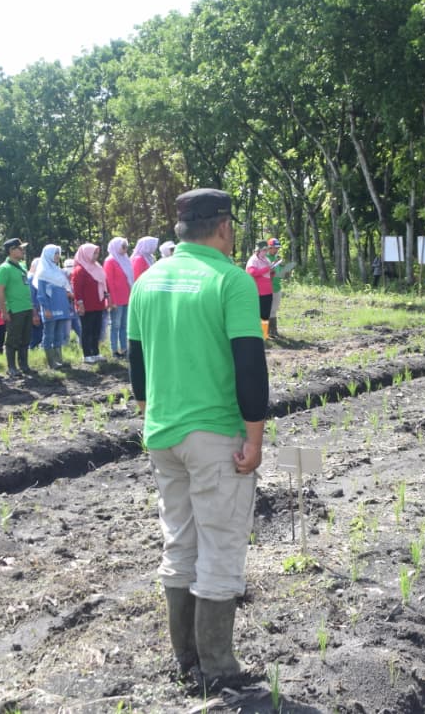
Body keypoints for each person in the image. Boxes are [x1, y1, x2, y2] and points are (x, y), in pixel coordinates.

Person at [129, 188, 268, 687]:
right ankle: (218, 666)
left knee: (179, 542)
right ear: (224, 227)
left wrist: (152, 420)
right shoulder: (232, 281)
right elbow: (250, 367)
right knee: (221, 545)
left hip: (162, 434)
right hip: (215, 435)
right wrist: (254, 438)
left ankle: (184, 657)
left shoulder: (148, 280)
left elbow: (138, 368)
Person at [0, 238, 36, 377]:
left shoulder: (22, 266)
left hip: (26, 307)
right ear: (11, 250)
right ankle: (11, 367)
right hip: (14, 309)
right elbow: (0, 290)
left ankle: (24, 365)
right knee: (13, 339)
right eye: (20, 248)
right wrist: (4, 310)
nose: (22, 250)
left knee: (25, 338)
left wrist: (32, 308)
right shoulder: (4, 268)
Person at [33, 244, 75, 368]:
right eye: (55, 253)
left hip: (61, 306)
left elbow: (64, 287)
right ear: (48, 254)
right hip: (50, 308)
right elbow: (41, 294)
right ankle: (51, 362)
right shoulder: (43, 272)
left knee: (59, 334)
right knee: (49, 334)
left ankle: (59, 360)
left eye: (58, 253)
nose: (57, 256)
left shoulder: (57, 270)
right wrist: (45, 309)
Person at [72, 243, 109, 364]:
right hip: (86, 306)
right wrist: (80, 304)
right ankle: (87, 354)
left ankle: (96, 352)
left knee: (96, 330)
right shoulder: (80, 270)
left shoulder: (97, 267)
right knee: (87, 330)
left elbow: (103, 284)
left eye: (97, 253)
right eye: (94, 253)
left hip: (98, 304)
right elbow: (77, 290)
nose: (96, 256)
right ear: (86, 254)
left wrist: (106, 299)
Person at [105, 237, 134, 359]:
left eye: (126, 246)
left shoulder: (125, 259)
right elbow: (109, 283)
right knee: (115, 325)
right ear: (116, 246)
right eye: (123, 246)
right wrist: (112, 300)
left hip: (127, 297)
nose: (126, 249)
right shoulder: (110, 261)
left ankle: (124, 348)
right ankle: (114, 350)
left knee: (124, 325)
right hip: (116, 299)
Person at [245, 240, 275, 327]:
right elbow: (252, 272)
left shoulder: (267, 259)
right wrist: (267, 269)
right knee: (256, 315)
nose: (266, 252)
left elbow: (269, 274)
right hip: (257, 292)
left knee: (265, 316)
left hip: (268, 291)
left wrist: (272, 271)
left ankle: (264, 336)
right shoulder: (253, 260)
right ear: (258, 250)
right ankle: (255, 335)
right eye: (264, 250)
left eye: (267, 250)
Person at [266, 238, 287, 338]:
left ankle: (273, 331)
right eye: (275, 248)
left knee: (274, 309)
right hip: (267, 288)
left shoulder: (277, 257)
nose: (277, 250)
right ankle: (268, 332)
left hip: (277, 287)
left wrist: (284, 268)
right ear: (269, 247)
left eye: (278, 248)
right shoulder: (265, 258)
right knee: (268, 309)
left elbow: (280, 275)